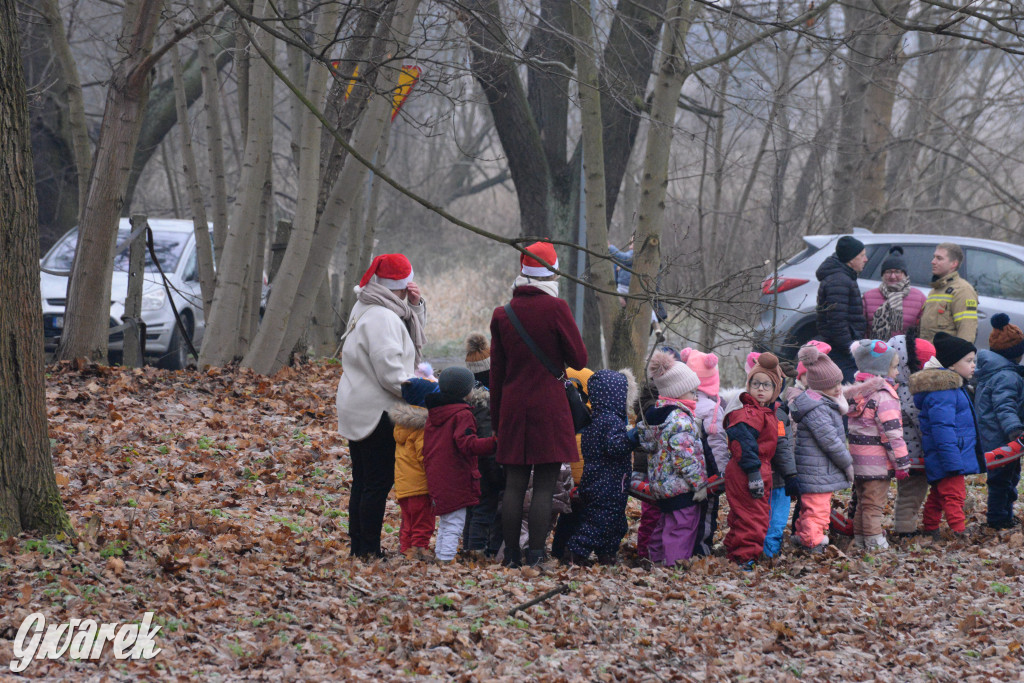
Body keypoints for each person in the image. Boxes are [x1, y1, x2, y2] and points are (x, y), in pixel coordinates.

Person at [489, 241, 588, 568]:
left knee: (514, 484)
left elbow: (497, 374)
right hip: (549, 407)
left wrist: (497, 420)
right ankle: (536, 554)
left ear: (523, 272)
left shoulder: (503, 315)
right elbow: (579, 358)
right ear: (552, 271)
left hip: (514, 407)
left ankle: (512, 558)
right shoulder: (557, 308)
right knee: (545, 484)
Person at [336, 253, 426, 560]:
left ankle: (359, 545)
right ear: (401, 285)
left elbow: (407, 335)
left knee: (362, 479)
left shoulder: (368, 305)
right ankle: (369, 550)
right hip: (377, 411)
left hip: (358, 404)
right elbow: (391, 373)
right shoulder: (384, 318)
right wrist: (424, 390)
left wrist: (414, 306)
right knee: (376, 482)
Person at [910, 333, 984, 540]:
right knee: (954, 495)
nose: (973, 366)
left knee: (939, 495)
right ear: (951, 365)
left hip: (951, 453)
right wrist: (952, 460)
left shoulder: (953, 388)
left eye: (974, 361)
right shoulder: (943, 392)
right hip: (949, 455)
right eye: (968, 361)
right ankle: (960, 532)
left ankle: (931, 528)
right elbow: (942, 429)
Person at [640, 351, 710, 567]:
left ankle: (656, 561)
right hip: (681, 487)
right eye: (692, 391)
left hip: (662, 486)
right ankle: (673, 566)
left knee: (663, 525)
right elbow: (685, 458)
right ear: (678, 392)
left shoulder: (657, 416)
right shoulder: (681, 421)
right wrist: (699, 484)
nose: (696, 396)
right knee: (681, 527)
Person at [423, 367, 498, 564]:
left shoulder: (436, 412)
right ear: (465, 391)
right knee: (454, 523)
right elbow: (467, 444)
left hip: (438, 474)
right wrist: (494, 442)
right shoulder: (462, 414)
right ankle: (445, 561)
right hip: (455, 478)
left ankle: (441, 557)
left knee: (448, 522)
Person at [565, 370, 638, 565]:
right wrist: (633, 437)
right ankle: (575, 552)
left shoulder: (594, 419)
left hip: (602, 481)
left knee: (615, 522)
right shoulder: (610, 421)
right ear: (615, 396)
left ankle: (607, 553)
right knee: (600, 521)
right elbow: (615, 447)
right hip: (607, 484)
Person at [844, 339, 910, 551]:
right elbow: (892, 434)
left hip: (858, 461)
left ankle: (861, 539)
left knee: (863, 503)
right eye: (894, 367)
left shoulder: (857, 394)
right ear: (881, 370)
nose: (897, 372)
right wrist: (901, 463)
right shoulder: (883, 395)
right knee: (873, 505)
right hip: (877, 463)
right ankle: (874, 543)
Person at [788, 344, 853, 553]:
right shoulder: (818, 410)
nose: (838, 388)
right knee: (817, 510)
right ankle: (813, 543)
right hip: (816, 470)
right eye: (832, 385)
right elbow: (831, 442)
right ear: (819, 386)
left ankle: (801, 536)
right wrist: (847, 463)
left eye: (839, 382)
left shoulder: (819, 403)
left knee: (811, 509)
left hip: (816, 469)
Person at [723, 352, 785, 567]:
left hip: (759, 470)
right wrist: (753, 473)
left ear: (775, 390)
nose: (760, 388)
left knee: (744, 515)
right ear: (748, 385)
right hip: (747, 472)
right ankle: (744, 560)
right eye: (756, 383)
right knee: (753, 519)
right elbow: (743, 443)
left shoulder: (765, 412)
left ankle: (734, 554)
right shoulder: (748, 412)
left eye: (766, 385)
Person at [974, 314, 1024, 530]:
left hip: (993, 434)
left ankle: (1005, 514)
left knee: (1008, 477)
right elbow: (1005, 406)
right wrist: (1014, 429)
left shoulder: (993, 371)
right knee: (1002, 481)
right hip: (1001, 437)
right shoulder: (1006, 377)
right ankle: (998, 519)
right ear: (1016, 353)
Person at [679, 348, 729, 557]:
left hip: (682, 472)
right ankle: (701, 548)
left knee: (685, 512)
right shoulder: (712, 409)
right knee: (707, 511)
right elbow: (717, 444)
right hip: (708, 473)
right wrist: (721, 475)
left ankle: (683, 548)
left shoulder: (680, 400)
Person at [887, 332, 937, 540]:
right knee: (911, 493)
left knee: (908, 492)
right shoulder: (910, 392)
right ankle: (905, 529)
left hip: (903, 454)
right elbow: (920, 424)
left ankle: (904, 525)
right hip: (913, 455)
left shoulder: (895, 387)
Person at [461, 334, 504, 558]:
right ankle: (478, 549)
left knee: (474, 507)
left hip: (470, 461)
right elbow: (489, 436)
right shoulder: (490, 402)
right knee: (487, 506)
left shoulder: (467, 400)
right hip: (489, 461)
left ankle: (469, 545)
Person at [392, 378, 439, 561]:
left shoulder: (402, 424)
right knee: (423, 521)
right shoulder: (423, 426)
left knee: (408, 520)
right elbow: (425, 456)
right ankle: (419, 550)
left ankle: (405, 549)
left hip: (404, 486)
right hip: (420, 486)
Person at [815, 235, 869, 382]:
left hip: (842, 348)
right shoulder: (839, 280)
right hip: (841, 351)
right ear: (851, 259)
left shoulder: (844, 277)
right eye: (862, 256)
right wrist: (849, 348)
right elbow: (836, 321)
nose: (866, 259)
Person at [863, 247, 926, 340]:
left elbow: (923, 330)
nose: (892, 276)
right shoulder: (868, 297)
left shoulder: (919, 298)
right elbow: (861, 329)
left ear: (905, 274)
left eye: (897, 272)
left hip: (906, 351)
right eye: (888, 272)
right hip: (875, 351)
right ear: (882, 274)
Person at [919, 243, 979, 343]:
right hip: (929, 356)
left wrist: (960, 357)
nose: (933, 262)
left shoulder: (962, 290)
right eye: (934, 257)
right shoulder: (935, 290)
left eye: (939, 258)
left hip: (946, 357)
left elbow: (967, 331)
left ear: (953, 264)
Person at [608, 241, 666, 342]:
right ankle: (656, 328)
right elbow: (617, 271)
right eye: (629, 243)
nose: (630, 246)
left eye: (632, 243)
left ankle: (656, 329)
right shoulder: (634, 258)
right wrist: (617, 268)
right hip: (627, 289)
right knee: (646, 309)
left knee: (647, 309)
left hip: (630, 288)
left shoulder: (636, 254)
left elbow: (624, 258)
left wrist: (610, 247)